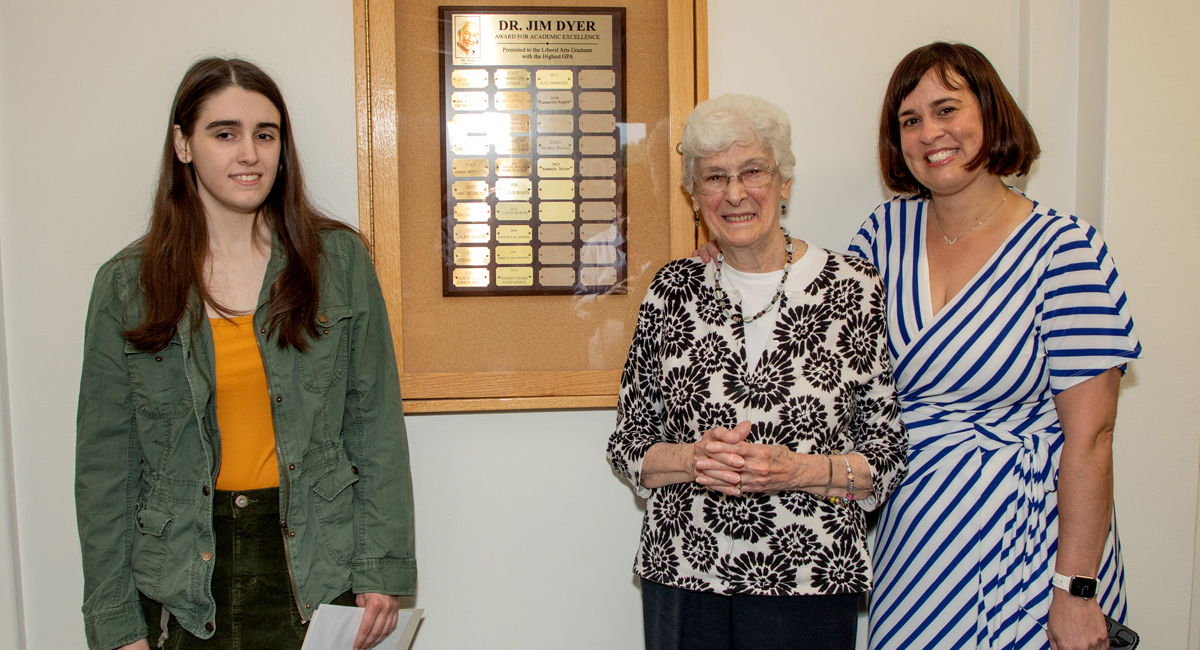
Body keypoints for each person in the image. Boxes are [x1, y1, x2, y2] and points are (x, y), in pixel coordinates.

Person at [75, 57, 416, 650]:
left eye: (266, 134)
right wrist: (116, 623)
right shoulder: (126, 285)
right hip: (183, 574)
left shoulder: (338, 263)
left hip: (316, 561)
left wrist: (381, 565)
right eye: (224, 133)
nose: (249, 154)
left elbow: (374, 422)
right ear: (183, 145)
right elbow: (107, 466)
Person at [850, 43, 1141, 650]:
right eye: (910, 120)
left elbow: (1092, 438)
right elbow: (817, 334)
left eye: (946, 109)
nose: (930, 132)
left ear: (990, 113)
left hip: (1034, 545)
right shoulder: (883, 235)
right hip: (919, 537)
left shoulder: (1065, 250)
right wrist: (732, 256)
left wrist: (1076, 590)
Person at [607, 94, 908, 650]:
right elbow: (627, 446)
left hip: (812, 580)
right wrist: (693, 459)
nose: (735, 193)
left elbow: (885, 459)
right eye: (715, 177)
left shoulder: (853, 288)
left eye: (753, 171)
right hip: (685, 577)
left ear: (785, 181)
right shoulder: (673, 290)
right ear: (694, 195)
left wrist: (794, 470)